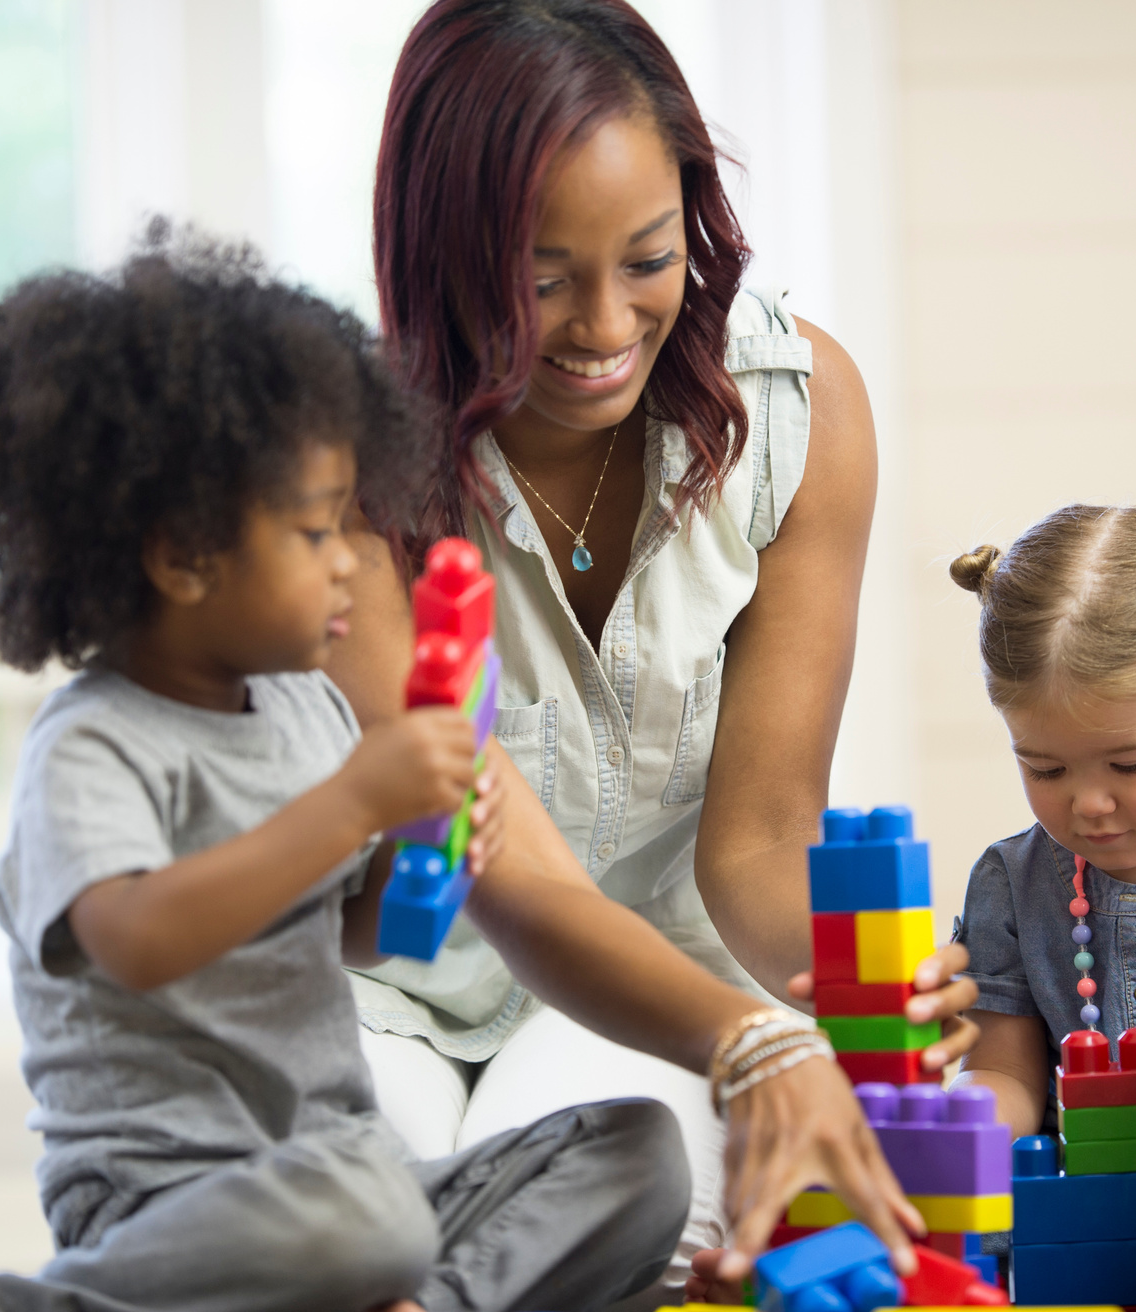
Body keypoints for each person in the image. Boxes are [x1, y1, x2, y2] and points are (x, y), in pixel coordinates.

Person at [0, 231, 928, 1312]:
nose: (351, 561)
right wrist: (354, 802)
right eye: (317, 533)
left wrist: (430, 847)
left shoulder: (301, 710)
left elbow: (346, 929)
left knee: (636, 1153)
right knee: (354, 1220)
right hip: (170, 1201)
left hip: (343, 1169)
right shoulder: (91, 748)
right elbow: (139, 942)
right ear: (183, 557)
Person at [329, 0, 979, 1284]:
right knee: (367, 1227)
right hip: (381, 982)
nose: (604, 324)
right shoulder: (340, 458)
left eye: (647, 256)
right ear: (441, 249)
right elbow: (491, 860)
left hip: (644, 983)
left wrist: (850, 980)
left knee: (623, 1193)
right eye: (541, 275)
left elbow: (755, 835)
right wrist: (759, 1043)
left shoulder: (797, 410)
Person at [944, 508, 1136, 1302]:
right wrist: (953, 1134)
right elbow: (1004, 1075)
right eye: (1044, 769)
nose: (1089, 804)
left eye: (1128, 762)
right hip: (1084, 1228)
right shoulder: (1011, 883)